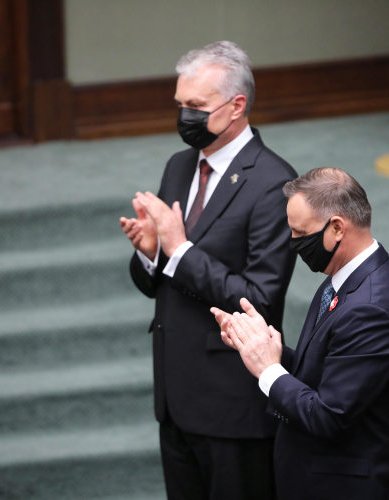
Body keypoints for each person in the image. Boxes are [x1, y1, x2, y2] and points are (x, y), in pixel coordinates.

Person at [119, 41, 297, 500]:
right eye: (180, 105)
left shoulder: (273, 182)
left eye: (196, 106)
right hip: (176, 400)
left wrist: (179, 251)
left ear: (236, 106)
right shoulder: (179, 167)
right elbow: (156, 284)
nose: (184, 117)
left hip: (231, 407)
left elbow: (259, 300)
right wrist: (152, 253)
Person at [212, 168, 389, 500]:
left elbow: (328, 417)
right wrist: (267, 348)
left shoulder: (372, 309)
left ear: (337, 227)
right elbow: (331, 367)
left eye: (299, 232)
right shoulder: (343, 279)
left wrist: (268, 371)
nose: (293, 243)